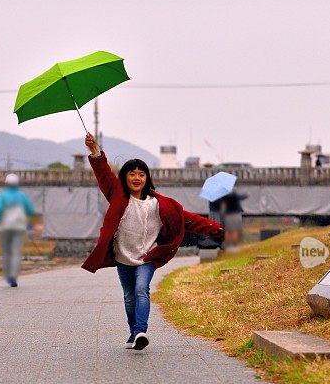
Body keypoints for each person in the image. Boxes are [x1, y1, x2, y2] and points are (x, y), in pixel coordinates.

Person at [82, 133, 224, 350]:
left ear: (147, 178)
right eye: (132, 174)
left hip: (147, 257)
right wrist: (95, 151)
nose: (137, 178)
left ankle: (141, 331)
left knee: (141, 289)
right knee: (129, 297)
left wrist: (217, 229)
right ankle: (133, 333)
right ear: (125, 178)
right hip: (122, 257)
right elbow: (103, 174)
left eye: (141, 174)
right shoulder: (118, 195)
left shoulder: (160, 204)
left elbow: (189, 219)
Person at [0, 173, 35, 287]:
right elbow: (31, 210)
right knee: (16, 251)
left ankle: (8, 275)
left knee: (6, 252)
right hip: (19, 227)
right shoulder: (22, 196)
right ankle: (13, 276)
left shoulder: (2, 196)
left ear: (6, 184)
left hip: (5, 227)